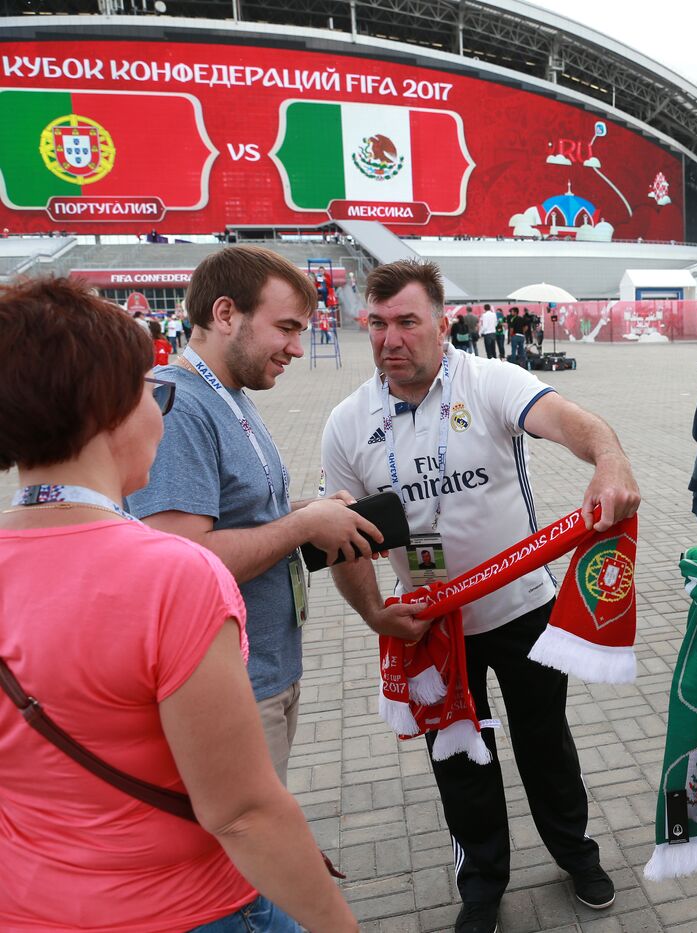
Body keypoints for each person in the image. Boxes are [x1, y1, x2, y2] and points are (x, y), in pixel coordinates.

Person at [0, 275, 357, 932]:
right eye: (149, 389)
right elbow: (244, 813)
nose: (160, 407)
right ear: (107, 408)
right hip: (187, 907)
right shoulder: (174, 575)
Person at [321, 260, 641, 933]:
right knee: (461, 760)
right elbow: (342, 540)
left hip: (523, 610)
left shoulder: (491, 380)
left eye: (408, 321)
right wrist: (375, 611)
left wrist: (608, 459)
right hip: (430, 627)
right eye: (377, 323)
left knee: (545, 745)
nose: (391, 338)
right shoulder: (348, 424)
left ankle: (575, 852)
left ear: (443, 323)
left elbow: (574, 422)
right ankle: (482, 884)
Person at [127, 245, 383, 783]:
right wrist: (303, 526)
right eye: (286, 328)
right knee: (246, 855)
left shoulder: (230, 395)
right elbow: (184, 559)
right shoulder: (177, 407)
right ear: (225, 315)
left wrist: (305, 510)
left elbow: (233, 515)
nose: (296, 348)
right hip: (229, 690)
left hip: (268, 671)